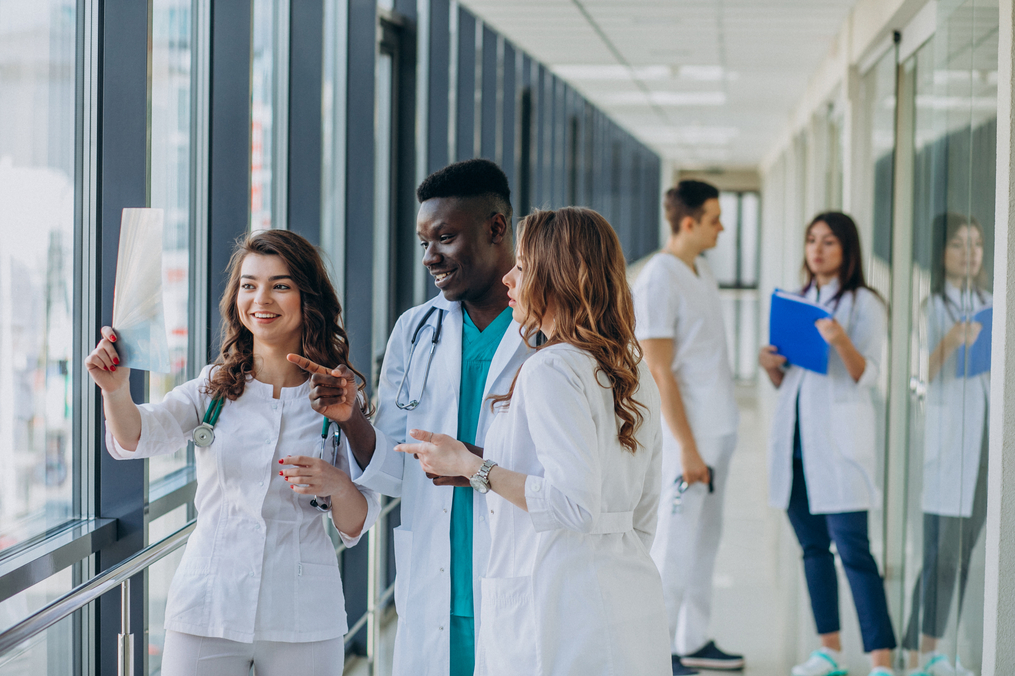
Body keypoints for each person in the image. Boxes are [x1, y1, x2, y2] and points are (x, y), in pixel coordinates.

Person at [88, 230, 380, 676]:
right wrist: (115, 390)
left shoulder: (337, 396)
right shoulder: (213, 387)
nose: (261, 298)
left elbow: (356, 522)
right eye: (249, 284)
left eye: (280, 284)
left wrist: (337, 485)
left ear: (308, 299)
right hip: (207, 606)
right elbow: (136, 437)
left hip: (302, 614)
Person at [398, 207, 671, 675]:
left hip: (556, 609)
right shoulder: (630, 366)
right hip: (627, 593)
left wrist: (472, 469)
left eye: (522, 266)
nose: (509, 277)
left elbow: (575, 503)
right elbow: (645, 503)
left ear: (556, 275)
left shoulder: (551, 367)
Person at [294, 159, 531, 676]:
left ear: (496, 228)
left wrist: (475, 464)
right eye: (424, 243)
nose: (430, 257)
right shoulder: (415, 329)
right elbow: (398, 465)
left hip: (520, 569)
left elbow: (571, 471)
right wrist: (351, 416)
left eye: (444, 238)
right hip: (436, 579)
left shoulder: (550, 326)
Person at [759, 212, 895, 676]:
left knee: (854, 552)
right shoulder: (798, 300)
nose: (817, 249)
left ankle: (881, 660)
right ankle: (829, 652)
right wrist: (769, 364)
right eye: (811, 240)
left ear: (847, 250)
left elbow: (868, 375)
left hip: (839, 447)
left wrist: (840, 339)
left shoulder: (865, 304)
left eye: (829, 242)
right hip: (796, 445)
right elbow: (789, 379)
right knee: (813, 550)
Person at [633, 180, 744, 674]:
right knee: (674, 547)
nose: (722, 227)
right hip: (688, 440)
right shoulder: (660, 277)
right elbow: (659, 370)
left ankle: (692, 638)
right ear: (689, 222)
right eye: (715, 218)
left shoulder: (702, 270)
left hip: (717, 431)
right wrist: (686, 448)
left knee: (704, 541)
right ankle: (660, 653)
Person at [902, 214, 991, 676]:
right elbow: (918, 377)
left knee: (963, 550)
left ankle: (921, 647)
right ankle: (928, 652)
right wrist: (951, 341)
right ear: (941, 253)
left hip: (985, 441)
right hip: (950, 439)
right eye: (959, 244)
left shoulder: (990, 302)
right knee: (943, 551)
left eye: (976, 244)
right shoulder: (930, 308)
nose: (970, 253)